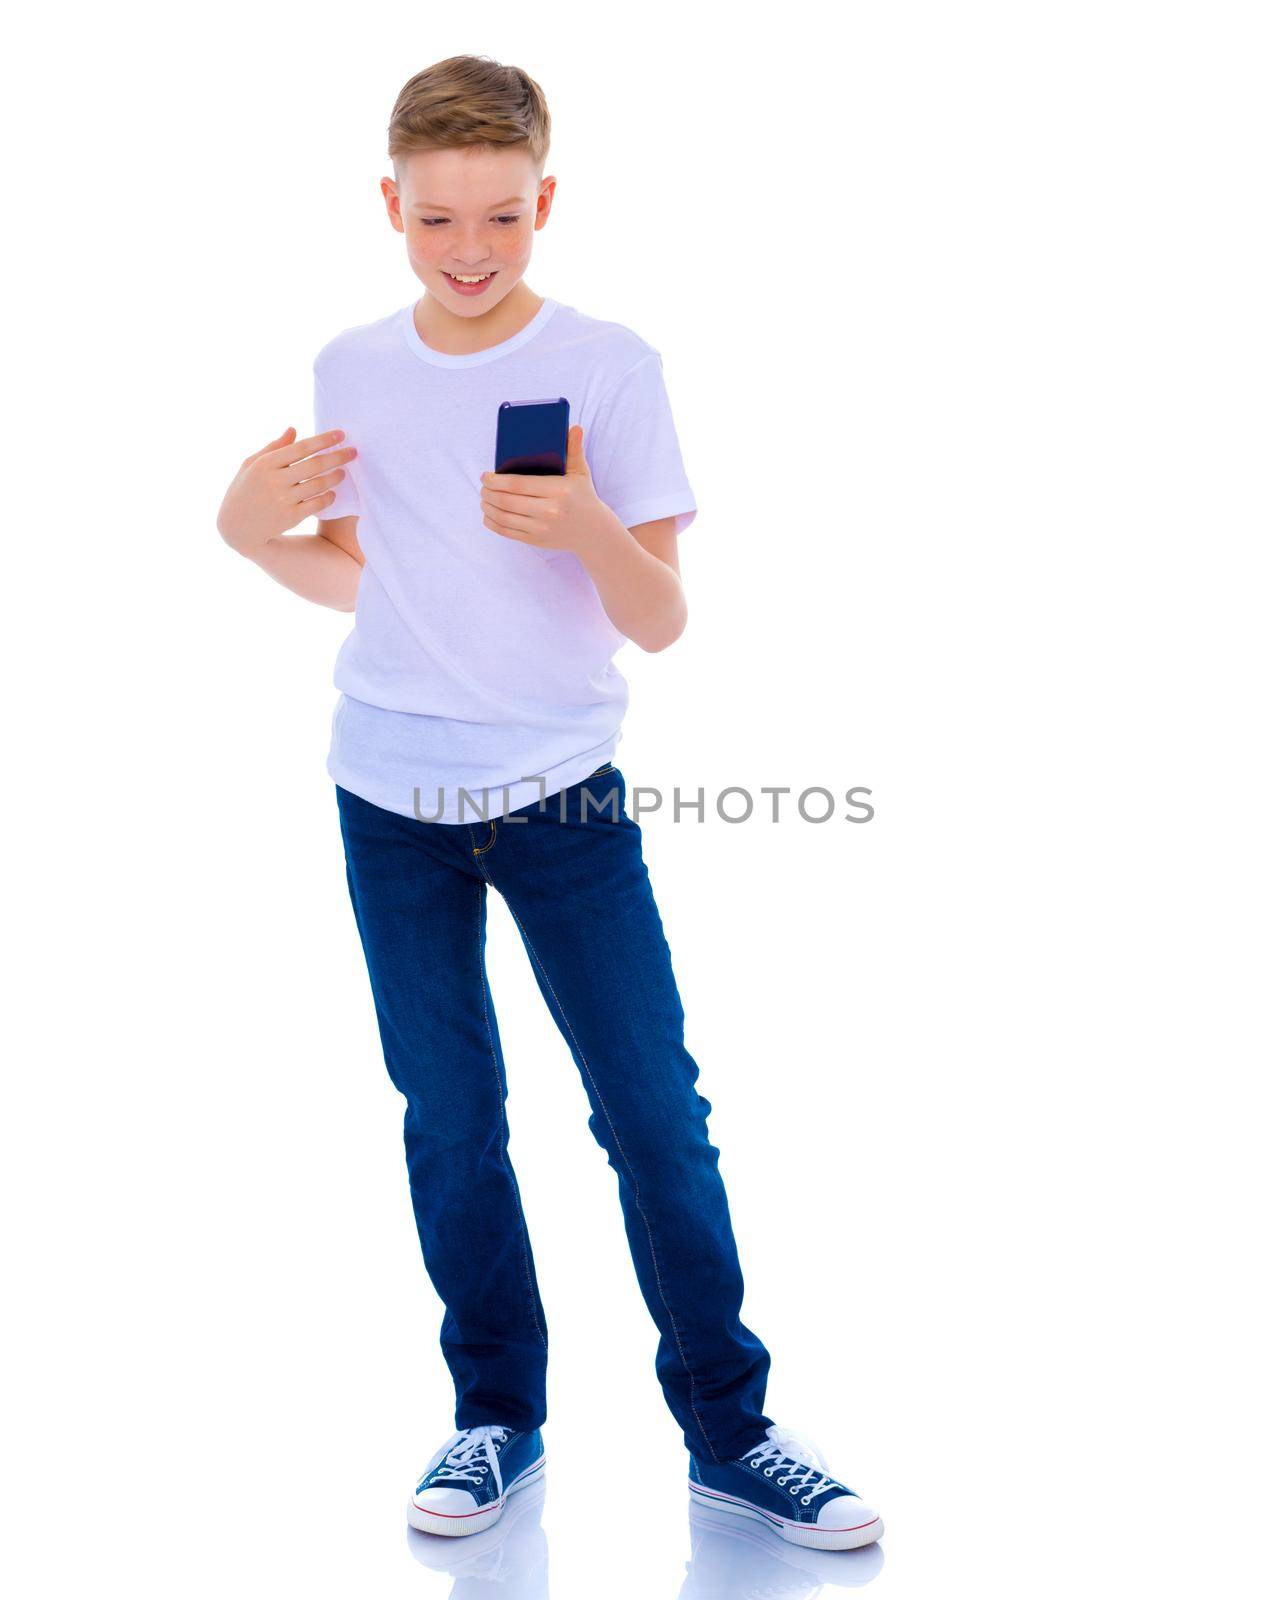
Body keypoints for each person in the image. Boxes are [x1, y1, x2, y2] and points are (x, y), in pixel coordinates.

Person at [216, 53, 883, 1553]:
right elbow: (359, 572)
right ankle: (493, 1420)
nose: (469, 250)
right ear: (390, 204)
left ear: (547, 202)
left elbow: (660, 620)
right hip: (387, 801)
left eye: (502, 217)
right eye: (438, 218)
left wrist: (584, 519)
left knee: (653, 1111)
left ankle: (732, 1427)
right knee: (451, 1117)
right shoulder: (354, 367)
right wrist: (252, 538)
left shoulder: (609, 365)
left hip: (563, 805)